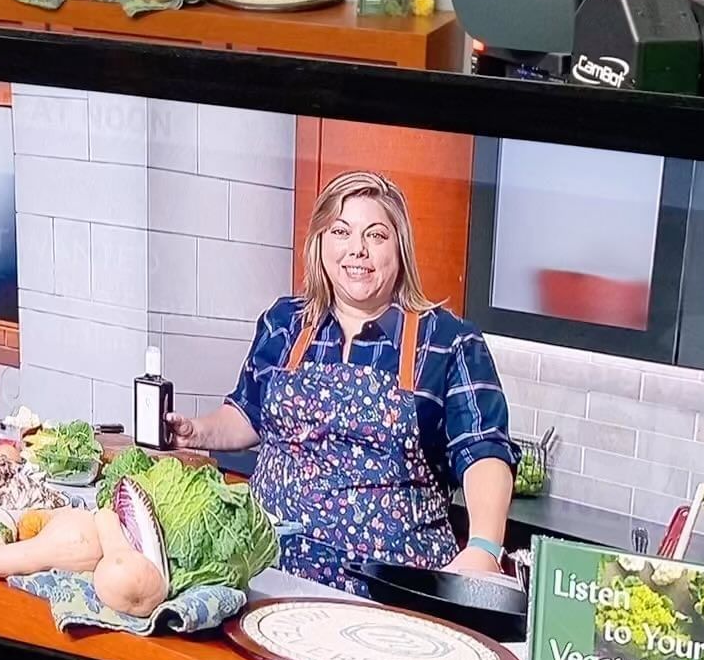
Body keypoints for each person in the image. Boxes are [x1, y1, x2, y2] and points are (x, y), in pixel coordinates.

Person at [168, 170, 517, 591]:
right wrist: (197, 431)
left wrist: (483, 547)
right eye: (341, 231)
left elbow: (483, 452)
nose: (357, 249)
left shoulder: (450, 340)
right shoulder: (286, 323)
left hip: (393, 585)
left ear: (400, 248)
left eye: (376, 235)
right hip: (271, 572)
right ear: (321, 243)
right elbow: (248, 414)